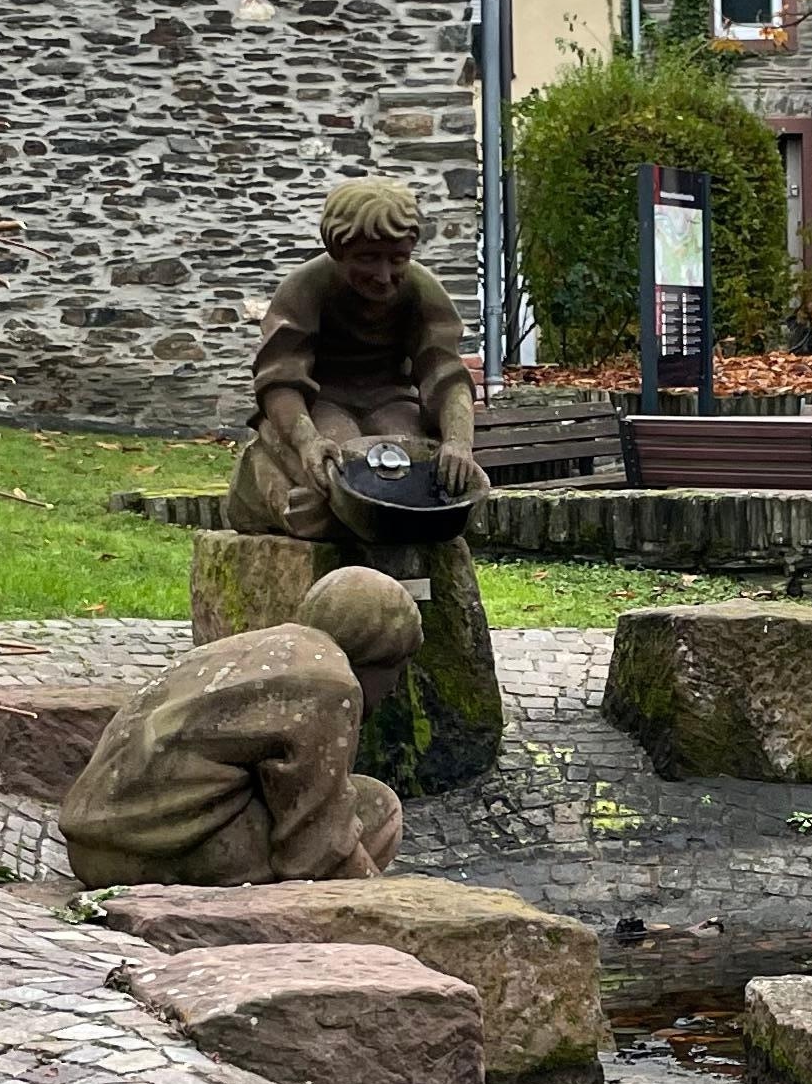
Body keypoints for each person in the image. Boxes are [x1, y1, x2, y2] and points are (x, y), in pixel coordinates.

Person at [60, 568, 423, 888]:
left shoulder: (265, 647)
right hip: (139, 854)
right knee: (377, 810)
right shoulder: (331, 684)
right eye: (397, 670)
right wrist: (382, 899)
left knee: (361, 799)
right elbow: (317, 845)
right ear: (381, 654)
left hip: (90, 841)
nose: (393, 689)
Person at [226, 177, 490, 540]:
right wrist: (307, 441)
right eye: (368, 258)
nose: (384, 276)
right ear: (338, 250)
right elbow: (280, 380)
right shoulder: (305, 288)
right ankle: (268, 481)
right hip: (323, 401)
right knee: (345, 468)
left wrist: (458, 442)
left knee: (416, 477)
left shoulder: (420, 289)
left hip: (391, 401)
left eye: (397, 259)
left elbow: (445, 375)